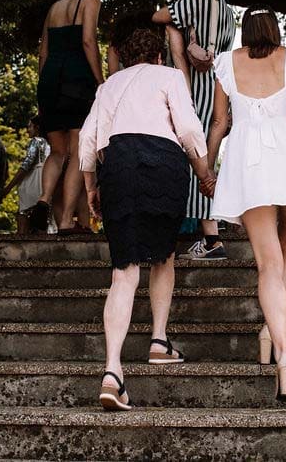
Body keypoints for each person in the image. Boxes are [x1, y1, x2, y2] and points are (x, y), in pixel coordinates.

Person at [79, 27, 215, 411]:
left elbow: (88, 139)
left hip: (117, 162)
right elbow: (188, 128)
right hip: (162, 161)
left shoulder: (108, 86)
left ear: (124, 57)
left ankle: (112, 371)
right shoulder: (170, 75)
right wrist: (204, 173)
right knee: (164, 255)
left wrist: (92, 187)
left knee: (124, 270)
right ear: (158, 56)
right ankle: (158, 340)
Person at [206, 9, 286, 402]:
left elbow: (220, 122)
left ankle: (282, 351)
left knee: (267, 263)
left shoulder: (225, 63)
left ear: (244, 32)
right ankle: (273, 335)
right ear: (275, 30)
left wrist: (207, 166)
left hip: (248, 161)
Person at [153, 0, 236, 260]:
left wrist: (175, 10)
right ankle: (211, 236)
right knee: (206, 161)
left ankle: (212, 239)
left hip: (197, 89)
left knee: (194, 159)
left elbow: (159, 15)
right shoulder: (227, 9)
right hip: (221, 87)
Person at [35, 0, 105, 234]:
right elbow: (88, 41)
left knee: (57, 151)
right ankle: (65, 221)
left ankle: (43, 199)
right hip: (77, 79)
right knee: (77, 152)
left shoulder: (54, 7)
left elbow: (43, 52)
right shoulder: (90, 1)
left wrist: (43, 88)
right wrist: (99, 80)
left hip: (50, 80)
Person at [2, 117, 50, 236]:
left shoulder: (36, 141)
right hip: (47, 180)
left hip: (34, 181)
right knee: (44, 217)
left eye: (30, 126)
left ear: (37, 128)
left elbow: (27, 164)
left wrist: (8, 188)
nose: (28, 130)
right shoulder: (52, 143)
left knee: (24, 213)